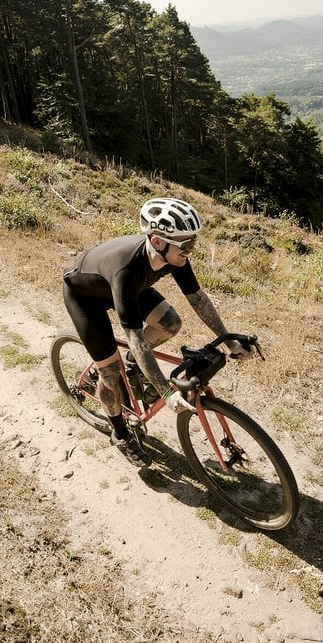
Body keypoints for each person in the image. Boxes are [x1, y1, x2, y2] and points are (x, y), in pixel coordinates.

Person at [62, 197, 250, 467]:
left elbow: (197, 298)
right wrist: (165, 392)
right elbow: (136, 340)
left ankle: (133, 368)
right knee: (110, 372)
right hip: (86, 297)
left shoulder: (174, 257)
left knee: (170, 322)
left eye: (194, 242)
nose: (191, 250)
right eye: (186, 245)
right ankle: (120, 433)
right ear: (159, 241)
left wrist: (229, 339)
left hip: (126, 289)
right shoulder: (127, 269)